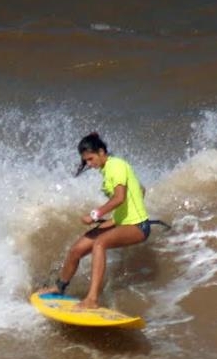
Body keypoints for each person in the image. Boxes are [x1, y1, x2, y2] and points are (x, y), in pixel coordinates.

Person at [42, 132, 150, 309]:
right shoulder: (107, 170)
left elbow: (119, 198)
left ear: (101, 152)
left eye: (91, 159)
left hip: (138, 226)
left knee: (99, 243)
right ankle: (59, 287)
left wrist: (95, 215)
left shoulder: (116, 165)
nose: (89, 165)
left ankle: (92, 299)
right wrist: (117, 218)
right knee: (77, 248)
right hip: (121, 223)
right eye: (86, 161)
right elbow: (139, 190)